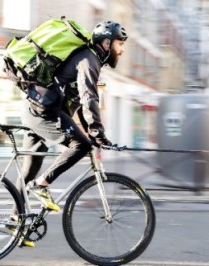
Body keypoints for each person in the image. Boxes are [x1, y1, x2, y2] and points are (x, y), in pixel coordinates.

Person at [15, 20, 128, 212]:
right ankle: (40, 185)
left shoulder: (88, 59)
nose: (122, 50)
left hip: (39, 108)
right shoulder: (89, 59)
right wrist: (97, 133)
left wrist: (93, 132)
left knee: (29, 168)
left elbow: (77, 102)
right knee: (81, 145)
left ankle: (15, 220)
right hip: (42, 111)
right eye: (120, 44)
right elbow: (89, 97)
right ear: (107, 43)